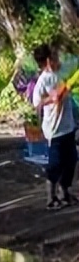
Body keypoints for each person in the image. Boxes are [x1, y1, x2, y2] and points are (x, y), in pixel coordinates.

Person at [31, 43, 76, 209]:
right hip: (54, 131)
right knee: (55, 164)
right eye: (56, 57)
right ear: (49, 61)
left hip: (68, 127)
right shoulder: (43, 81)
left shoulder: (61, 74)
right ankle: (50, 197)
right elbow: (36, 103)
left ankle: (64, 192)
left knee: (71, 161)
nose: (59, 60)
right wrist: (52, 98)